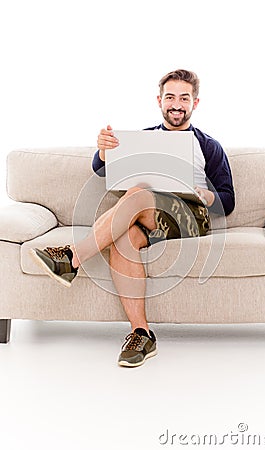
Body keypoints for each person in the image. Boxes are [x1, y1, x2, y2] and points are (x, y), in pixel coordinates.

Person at [31, 69, 235, 367]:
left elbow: (228, 201)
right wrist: (102, 152)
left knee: (139, 191)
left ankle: (72, 258)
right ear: (159, 101)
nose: (176, 104)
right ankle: (142, 333)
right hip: (146, 214)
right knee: (124, 239)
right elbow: (103, 172)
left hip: (190, 214)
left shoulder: (208, 145)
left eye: (184, 98)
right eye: (170, 97)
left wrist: (207, 196)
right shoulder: (143, 139)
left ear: (195, 103)